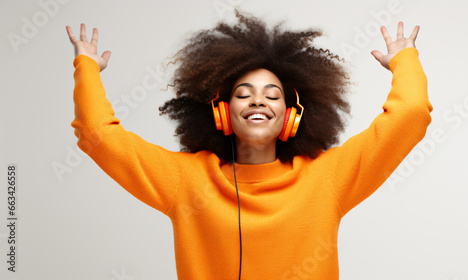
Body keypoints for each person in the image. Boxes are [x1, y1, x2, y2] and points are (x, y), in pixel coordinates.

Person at [66, 10, 432, 280]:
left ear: (292, 115)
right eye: (244, 94)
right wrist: (87, 68)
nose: (258, 101)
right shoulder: (187, 180)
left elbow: (411, 115)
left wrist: (404, 60)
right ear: (222, 112)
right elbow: (97, 134)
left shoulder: (326, 178)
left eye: (272, 95)